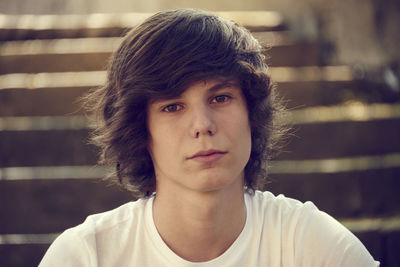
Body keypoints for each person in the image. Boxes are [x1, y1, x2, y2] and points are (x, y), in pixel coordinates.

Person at [40, 9, 379, 266]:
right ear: (141, 130)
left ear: (251, 113)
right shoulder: (87, 256)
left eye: (220, 98)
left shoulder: (311, 247)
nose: (202, 125)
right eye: (173, 106)